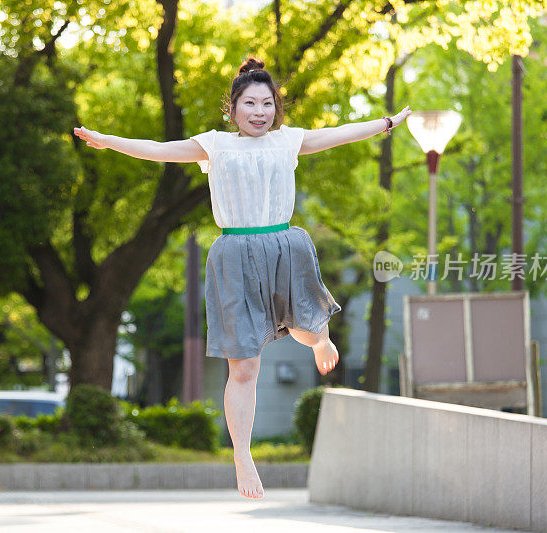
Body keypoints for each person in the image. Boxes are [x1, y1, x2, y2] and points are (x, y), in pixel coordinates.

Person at [73, 57, 411, 499]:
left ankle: (322, 338)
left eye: (267, 104)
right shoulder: (215, 146)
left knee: (308, 331)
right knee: (245, 365)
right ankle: (243, 454)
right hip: (233, 254)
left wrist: (387, 122)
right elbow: (157, 148)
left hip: (285, 245)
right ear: (232, 109)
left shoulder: (288, 141)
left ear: (276, 109)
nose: (259, 111)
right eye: (249, 103)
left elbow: (340, 134)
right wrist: (106, 141)